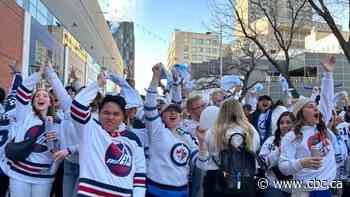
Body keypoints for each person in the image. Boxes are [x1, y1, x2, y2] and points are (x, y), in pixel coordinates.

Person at [70, 71, 146, 197]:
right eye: (106, 112)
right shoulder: (90, 129)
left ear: (123, 116)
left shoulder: (133, 139)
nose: (110, 117)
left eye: (116, 114)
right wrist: (98, 84)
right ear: (99, 114)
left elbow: (139, 174)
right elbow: (77, 106)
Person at [279, 57, 338, 197]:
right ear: (300, 113)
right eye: (311, 106)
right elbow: (283, 167)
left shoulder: (321, 127)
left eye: (316, 106)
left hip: (326, 189)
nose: (316, 108)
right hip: (304, 191)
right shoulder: (292, 136)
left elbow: (327, 99)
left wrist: (328, 75)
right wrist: (301, 163)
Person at [144, 63, 198, 197]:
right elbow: (150, 104)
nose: (173, 113)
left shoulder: (187, 136)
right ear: (161, 116)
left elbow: (198, 159)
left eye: (176, 112)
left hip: (181, 192)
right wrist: (155, 78)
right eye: (168, 111)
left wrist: (204, 148)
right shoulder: (156, 131)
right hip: (155, 191)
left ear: (181, 116)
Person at [7, 64, 61, 197]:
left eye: (45, 96)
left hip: (43, 178)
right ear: (32, 101)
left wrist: (55, 144)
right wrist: (40, 73)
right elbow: (22, 92)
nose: (41, 98)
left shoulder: (59, 123)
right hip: (19, 174)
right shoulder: (25, 114)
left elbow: (59, 154)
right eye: (37, 96)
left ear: (50, 102)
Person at [196, 99, 260, 197]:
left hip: (216, 178)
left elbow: (204, 158)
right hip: (244, 179)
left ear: (221, 112)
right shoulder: (251, 131)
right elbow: (254, 151)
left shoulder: (213, 131)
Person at [45, 64, 80, 197]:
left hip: (84, 165)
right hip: (68, 162)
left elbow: (89, 142)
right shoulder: (69, 110)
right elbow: (58, 88)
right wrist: (49, 70)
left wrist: (69, 149)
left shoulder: (94, 118)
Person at [259, 111, 296, 197]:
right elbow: (262, 163)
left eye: (288, 122)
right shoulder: (271, 140)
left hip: (296, 188)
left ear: (295, 124)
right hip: (274, 186)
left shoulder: (300, 141)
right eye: (281, 123)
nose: (284, 125)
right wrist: (279, 150)